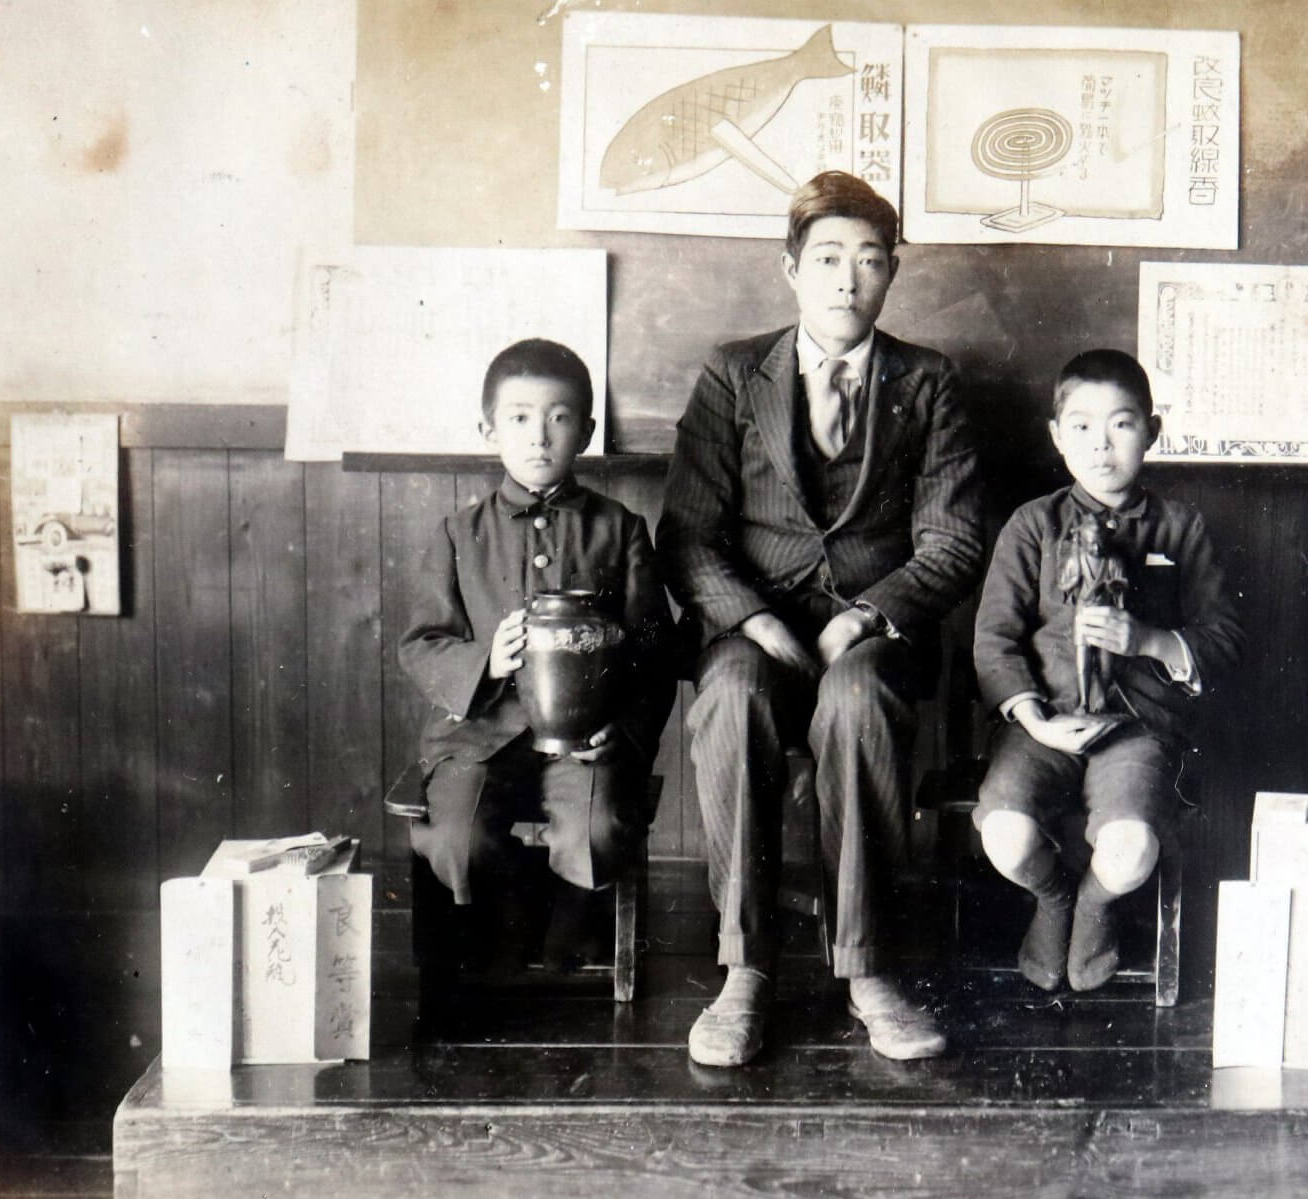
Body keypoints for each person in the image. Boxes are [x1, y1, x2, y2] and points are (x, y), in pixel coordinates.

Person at [657, 171, 984, 1065]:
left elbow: (954, 541)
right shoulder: (734, 374)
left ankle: (868, 968)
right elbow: (687, 536)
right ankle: (745, 968)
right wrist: (757, 623)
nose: (848, 279)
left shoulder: (928, 382)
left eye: (870, 261)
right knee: (733, 699)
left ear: (892, 274)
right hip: (754, 627)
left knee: (858, 701)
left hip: (873, 637)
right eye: (829, 258)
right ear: (791, 268)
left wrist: (869, 615)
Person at [972, 349, 1245, 992]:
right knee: (1006, 837)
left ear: (1152, 430)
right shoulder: (1032, 526)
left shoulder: (1180, 528)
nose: (1101, 444)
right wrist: (1035, 720)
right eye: (1082, 426)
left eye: (1121, 424)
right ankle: (1055, 899)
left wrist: (1150, 639)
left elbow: (1225, 638)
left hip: (1137, 731)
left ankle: (1094, 904)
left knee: (1131, 851)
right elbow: (994, 641)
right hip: (1044, 727)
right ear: (1057, 436)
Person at [400, 338, 674, 968]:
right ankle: (512, 911)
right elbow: (422, 644)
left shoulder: (619, 528)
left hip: (585, 738)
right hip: (479, 734)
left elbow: (654, 651)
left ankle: (573, 922)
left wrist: (624, 729)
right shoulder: (459, 534)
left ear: (586, 432)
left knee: (597, 830)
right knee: (458, 838)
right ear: (488, 430)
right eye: (520, 418)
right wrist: (486, 663)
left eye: (559, 418)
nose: (540, 437)